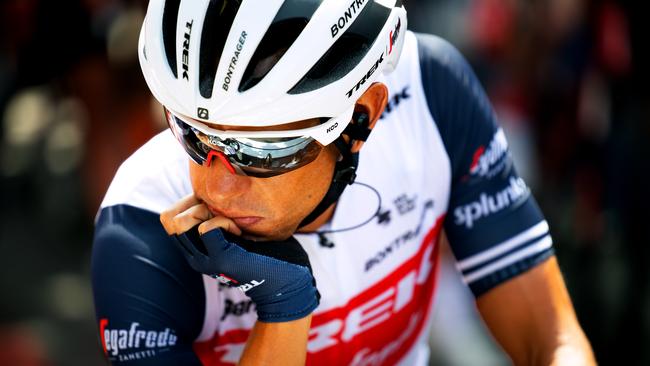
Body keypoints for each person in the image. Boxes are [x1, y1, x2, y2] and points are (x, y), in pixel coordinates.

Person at [91, 0, 596, 365]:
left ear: (362, 116)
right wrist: (284, 307)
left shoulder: (430, 94)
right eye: (193, 135)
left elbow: (549, 338)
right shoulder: (139, 225)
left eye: (263, 151)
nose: (217, 188)